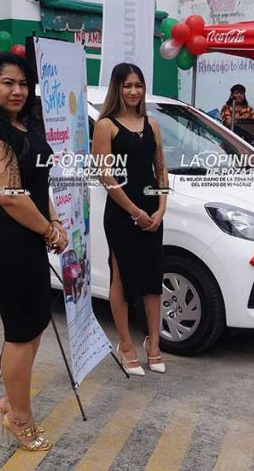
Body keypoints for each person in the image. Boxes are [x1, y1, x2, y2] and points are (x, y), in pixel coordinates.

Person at [0, 53, 67, 452]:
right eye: (7, 83)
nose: (17, 90)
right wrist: (48, 229)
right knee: (21, 334)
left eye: (23, 83)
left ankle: (11, 398)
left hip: (29, 239)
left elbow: (37, 185)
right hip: (8, 243)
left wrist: (53, 221)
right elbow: (11, 198)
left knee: (35, 324)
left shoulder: (23, 126)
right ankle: (19, 418)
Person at [92, 63, 168, 374]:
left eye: (138, 85)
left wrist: (161, 208)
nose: (133, 91)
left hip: (152, 209)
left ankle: (154, 343)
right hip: (122, 212)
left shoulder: (152, 124)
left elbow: (160, 168)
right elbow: (105, 176)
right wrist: (135, 211)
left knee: (152, 279)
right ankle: (125, 344)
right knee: (121, 278)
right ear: (117, 88)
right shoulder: (106, 126)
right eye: (127, 85)